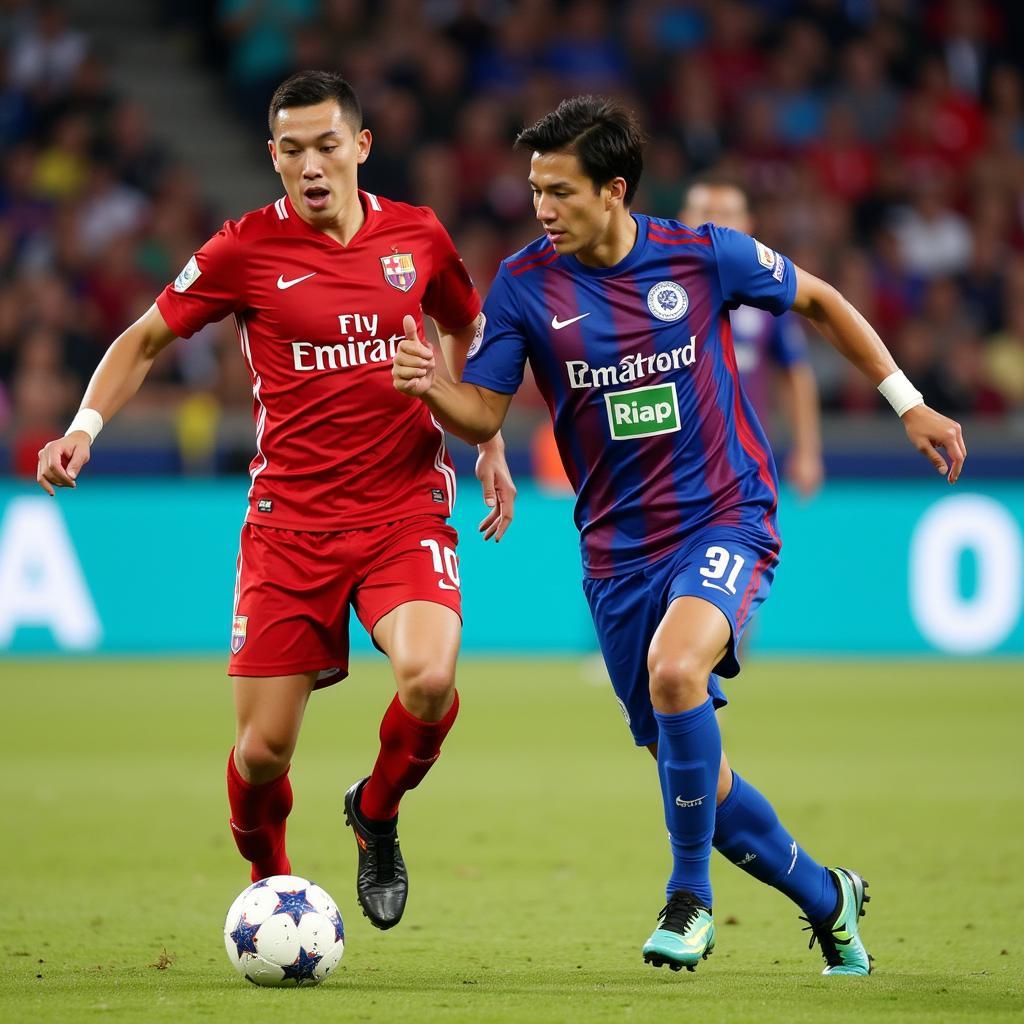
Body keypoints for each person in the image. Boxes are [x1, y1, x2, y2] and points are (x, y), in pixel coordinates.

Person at [393, 95, 965, 975]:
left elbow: (818, 300)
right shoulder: (523, 284)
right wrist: (434, 386)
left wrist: (908, 400)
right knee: (695, 768)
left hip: (725, 513)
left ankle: (688, 896)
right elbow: (483, 414)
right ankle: (828, 897)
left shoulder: (701, 257)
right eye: (535, 190)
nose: (542, 208)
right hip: (617, 555)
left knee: (675, 668)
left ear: (614, 190)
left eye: (560, 191)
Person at [36, 70, 516, 933]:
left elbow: (467, 328)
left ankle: (376, 810)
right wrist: (85, 427)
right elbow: (145, 337)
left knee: (431, 678)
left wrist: (487, 439)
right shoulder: (242, 250)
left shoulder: (418, 236)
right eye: (291, 150)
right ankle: (275, 884)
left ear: (360, 147)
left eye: (328, 145)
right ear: (272, 157)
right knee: (261, 755)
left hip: (403, 507)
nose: (311, 165)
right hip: (288, 527)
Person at [680, 176, 824, 499]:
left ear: (747, 224)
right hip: (670, 464)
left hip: (742, 463)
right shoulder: (657, 294)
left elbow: (795, 372)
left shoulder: (766, 298)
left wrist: (807, 451)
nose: (715, 222)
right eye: (705, 211)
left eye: (727, 213)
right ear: (683, 221)